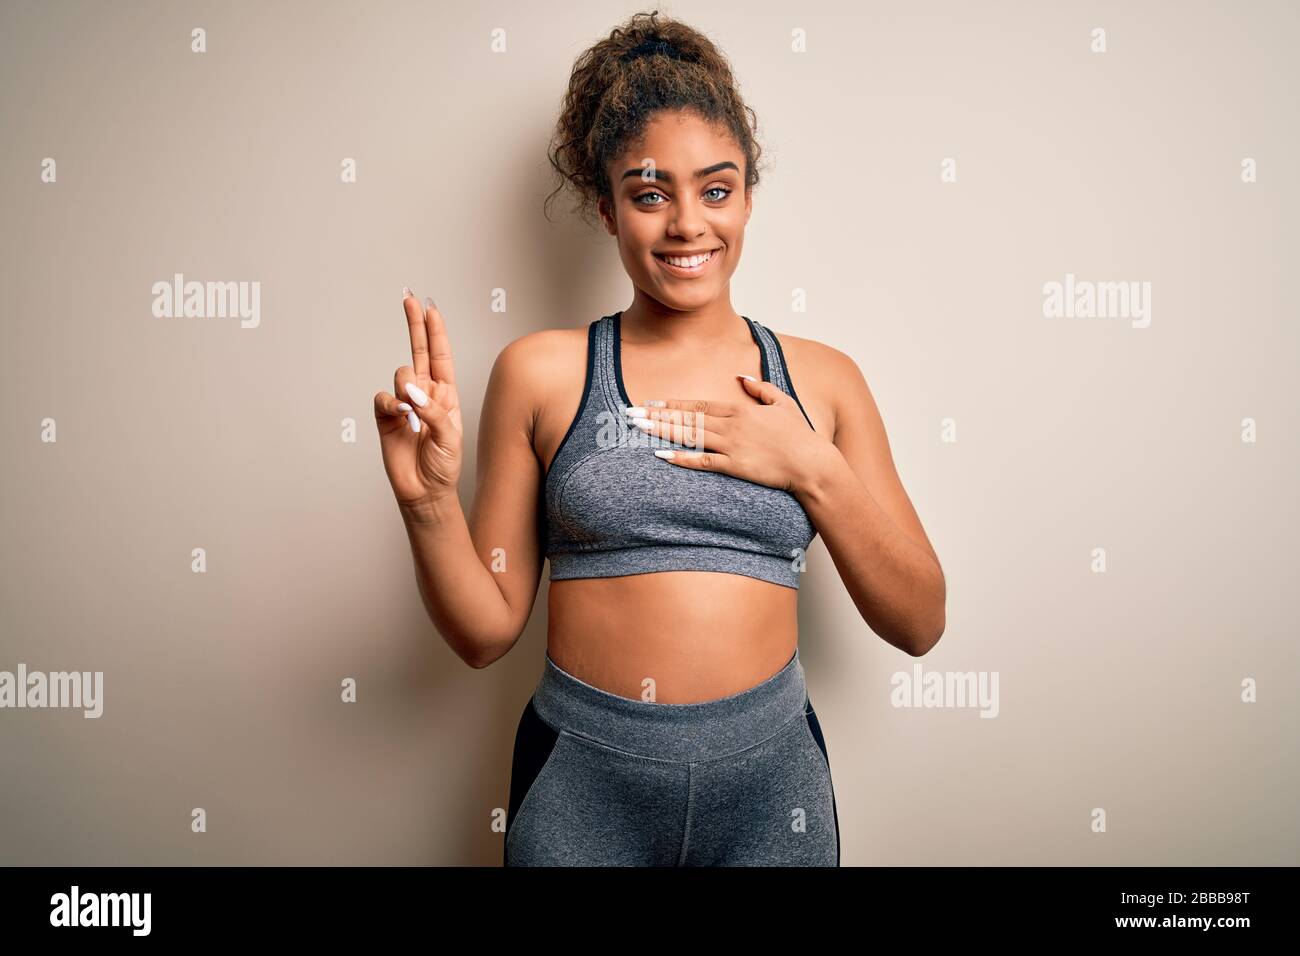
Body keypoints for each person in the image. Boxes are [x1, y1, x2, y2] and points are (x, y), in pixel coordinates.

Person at [373, 10, 945, 866]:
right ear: (606, 208)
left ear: (748, 195)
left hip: (771, 791)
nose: (687, 225)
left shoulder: (824, 383)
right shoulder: (543, 373)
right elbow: (485, 631)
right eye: (650, 194)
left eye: (715, 189)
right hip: (582, 785)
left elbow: (921, 620)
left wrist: (809, 468)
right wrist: (425, 503)